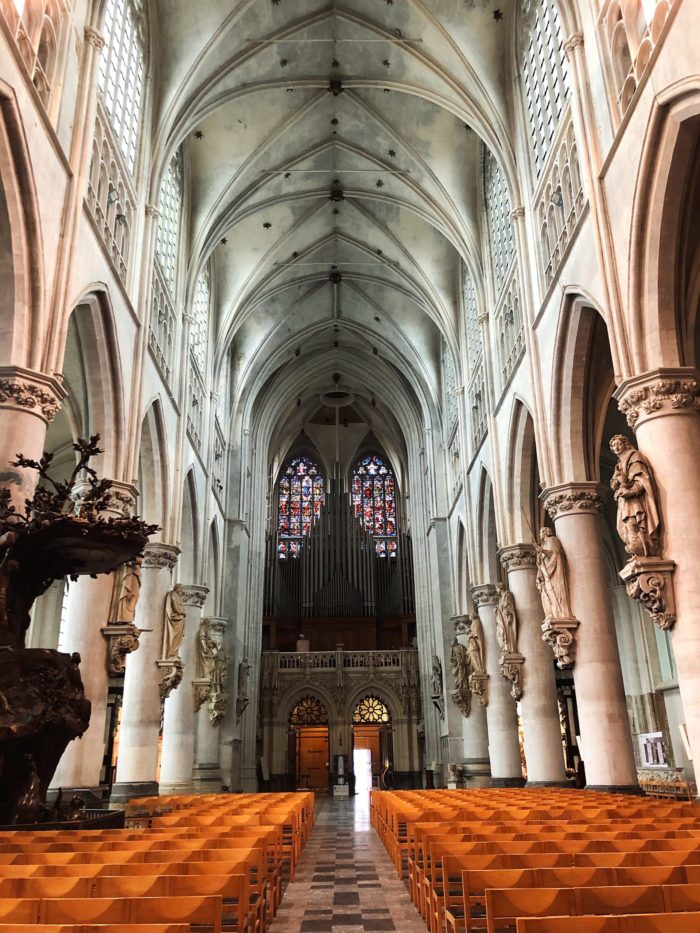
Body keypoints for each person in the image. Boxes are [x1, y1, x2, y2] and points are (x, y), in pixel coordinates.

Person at [609, 434, 660, 558]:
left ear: (625, 444)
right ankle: (637, 548)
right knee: (625, 524)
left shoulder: (634, 456)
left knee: (633, 520)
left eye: (619, 444)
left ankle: (641, 546)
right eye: (613, 445)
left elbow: (641, 478)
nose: (616, 447)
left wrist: (631, 491)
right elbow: (613, 483)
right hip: (624, 500)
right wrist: (617, 482)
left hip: (633, 499)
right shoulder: (619, 464)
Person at [535, 527, 573, 619]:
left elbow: (555, 554)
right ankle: (553, 614)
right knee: (548, 593)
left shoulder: (551, 540)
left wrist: (542, 551)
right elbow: (541, 562)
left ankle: (561, 614)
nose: (540, 534)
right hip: (546, 573)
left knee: (556, 591)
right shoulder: (543, 545)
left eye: (541, 532)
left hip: (554, 573)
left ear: (545, 532)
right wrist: (539, 557)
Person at [162, 583, 186, 659]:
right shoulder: (174, 595)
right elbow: (176, 607)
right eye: (181, 588)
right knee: (173, 636)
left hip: (178, 619)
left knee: (177, 637)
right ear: (177, 588)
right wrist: (182, 612)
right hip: (175, 619)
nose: (182, 590)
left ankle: (173, 653)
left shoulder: (177, 596)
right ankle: (171, 653)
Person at [117, 557, 142, 622]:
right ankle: (124, 616)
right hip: (129, 571)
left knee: (135, 595)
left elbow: (140, 560)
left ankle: (128, 616)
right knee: (128, 594)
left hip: (134, 572)